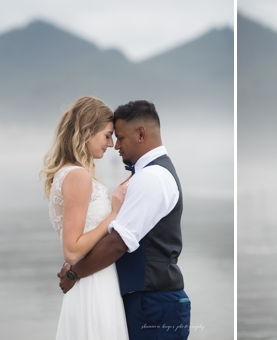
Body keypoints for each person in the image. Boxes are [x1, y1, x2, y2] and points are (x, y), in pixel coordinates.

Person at [57, 100, 192, 339]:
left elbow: (118, 242)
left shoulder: (152, 177)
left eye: (120, 138)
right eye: (111, 137)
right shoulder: (147, 174)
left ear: (141, 134)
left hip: (154, 303)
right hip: (147, 301)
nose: (116, 146)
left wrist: (74, 273)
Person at [43, 96, 130, 339]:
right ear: (86, 132)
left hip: (91, 280)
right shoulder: (78, 176)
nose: (111, 144)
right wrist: (113, 214)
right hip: (94, 285)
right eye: (107, 135)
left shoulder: (67, 173)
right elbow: (72, 251)